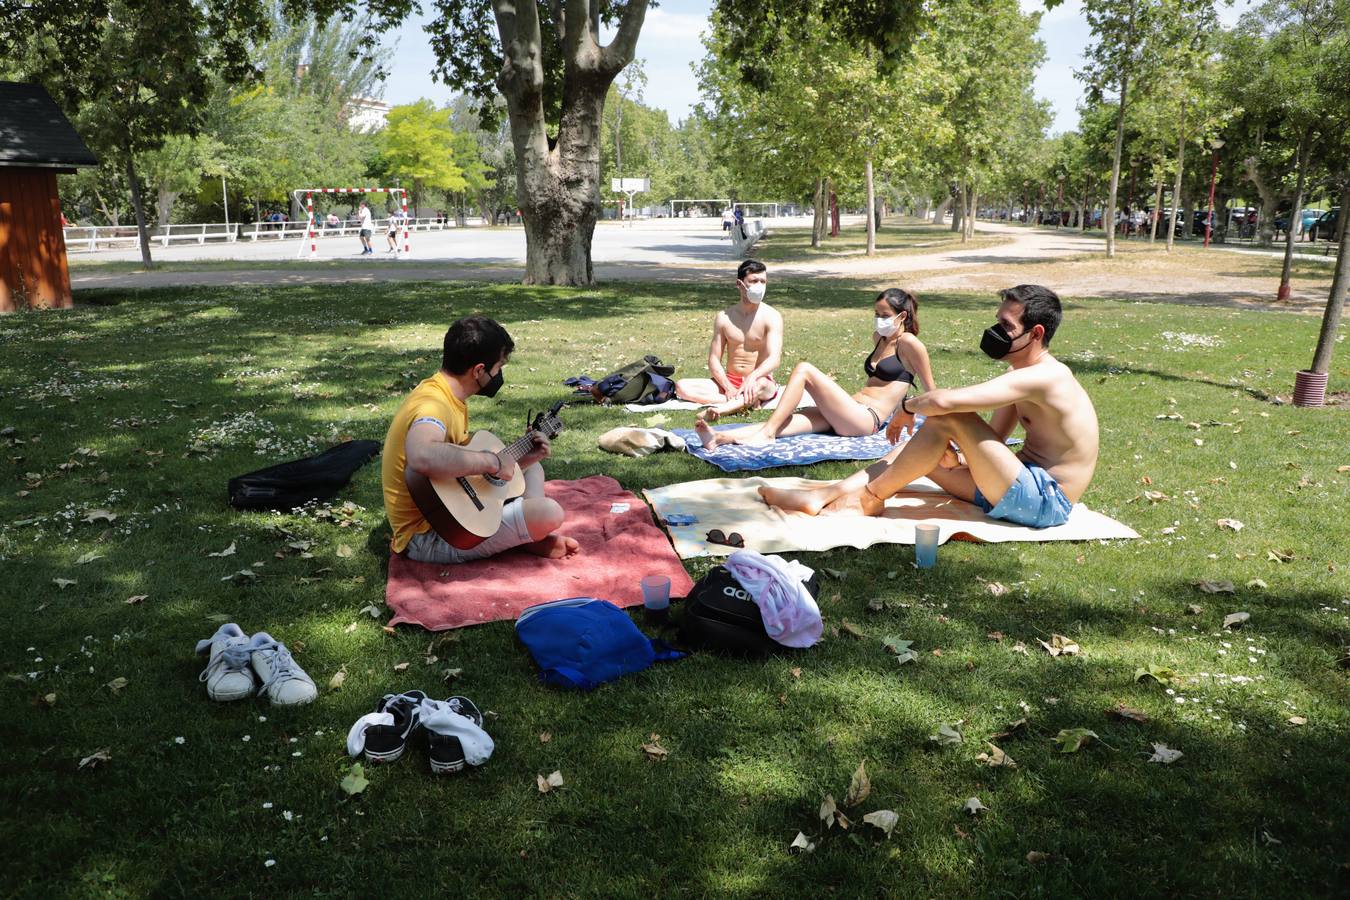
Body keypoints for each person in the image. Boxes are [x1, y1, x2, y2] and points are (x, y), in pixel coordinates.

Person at [760, 285, 1099, 530]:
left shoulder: (1045, 377)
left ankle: (869, 499)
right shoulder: (1021, 374)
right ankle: (825, 494)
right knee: (920, 447)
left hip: (1044, 501)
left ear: (1036, 333)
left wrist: (907, 406)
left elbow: (945, 403)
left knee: (948, 418)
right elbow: (994, 438)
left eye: (1006, 327)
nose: (996, 332)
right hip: (1010, 486)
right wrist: (960, 456)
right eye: (998, 321)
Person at [382, 315, 578, 564]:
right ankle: (528, 535)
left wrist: (520, 460)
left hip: (451, 508)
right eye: (498, 367)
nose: (499, 375)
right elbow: (422, 455)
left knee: (533, 468)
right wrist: (492, 462)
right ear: (479, 371)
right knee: (549, 512)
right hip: (432, 535)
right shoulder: (432, 406)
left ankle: (524, 533)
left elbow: (459, 474)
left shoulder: (445, 392)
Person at [694, 287, 936, 449]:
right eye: (876, 313)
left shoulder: (910, 344)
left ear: (902, 316)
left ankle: (765, 435)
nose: (878, 319)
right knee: (785, 423)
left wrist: (915, 413)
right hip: (848, 410)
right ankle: (720, 438)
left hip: (865, 420)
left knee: (804, 369)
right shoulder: (880, 338)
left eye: (884, 315)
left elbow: (931, 392)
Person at [675, 259, 783, 417]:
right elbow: (713, 359)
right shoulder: (724, 317)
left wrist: (752, 378)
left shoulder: (772, 316)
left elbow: (774, 359)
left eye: (763, 281)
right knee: (681, 387)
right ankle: (741, 401)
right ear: (739, 284)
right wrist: (727, 387)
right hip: (730, 380)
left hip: (759, 380)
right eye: (754, 281)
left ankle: (721, 409)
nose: (759, 286)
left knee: (761, 385)